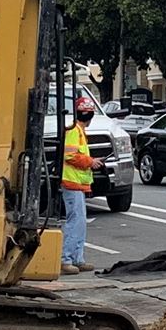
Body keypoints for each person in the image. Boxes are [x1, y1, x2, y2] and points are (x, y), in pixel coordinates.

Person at [59, 93, 97, 269]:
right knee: (76, 221)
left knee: (80, 221)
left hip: (77, 184)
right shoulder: (75, 131)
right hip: (71, 183)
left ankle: (77, 258)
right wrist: (91, 162)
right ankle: (67, 259)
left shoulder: (79, 131)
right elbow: (70, 156)